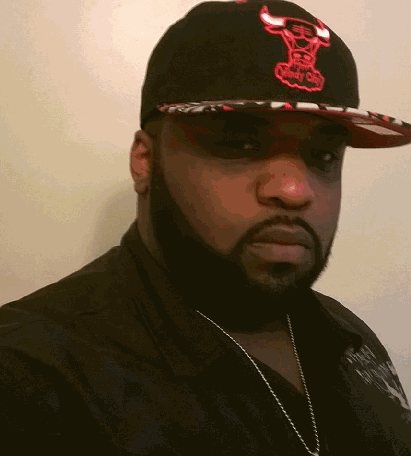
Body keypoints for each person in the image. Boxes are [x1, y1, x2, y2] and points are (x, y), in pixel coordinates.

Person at [1, 0, 410, 454]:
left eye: (324, 156)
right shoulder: (30, 375)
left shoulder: (348, 336)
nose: (295, 190)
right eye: (239, 143)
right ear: (145, 161)